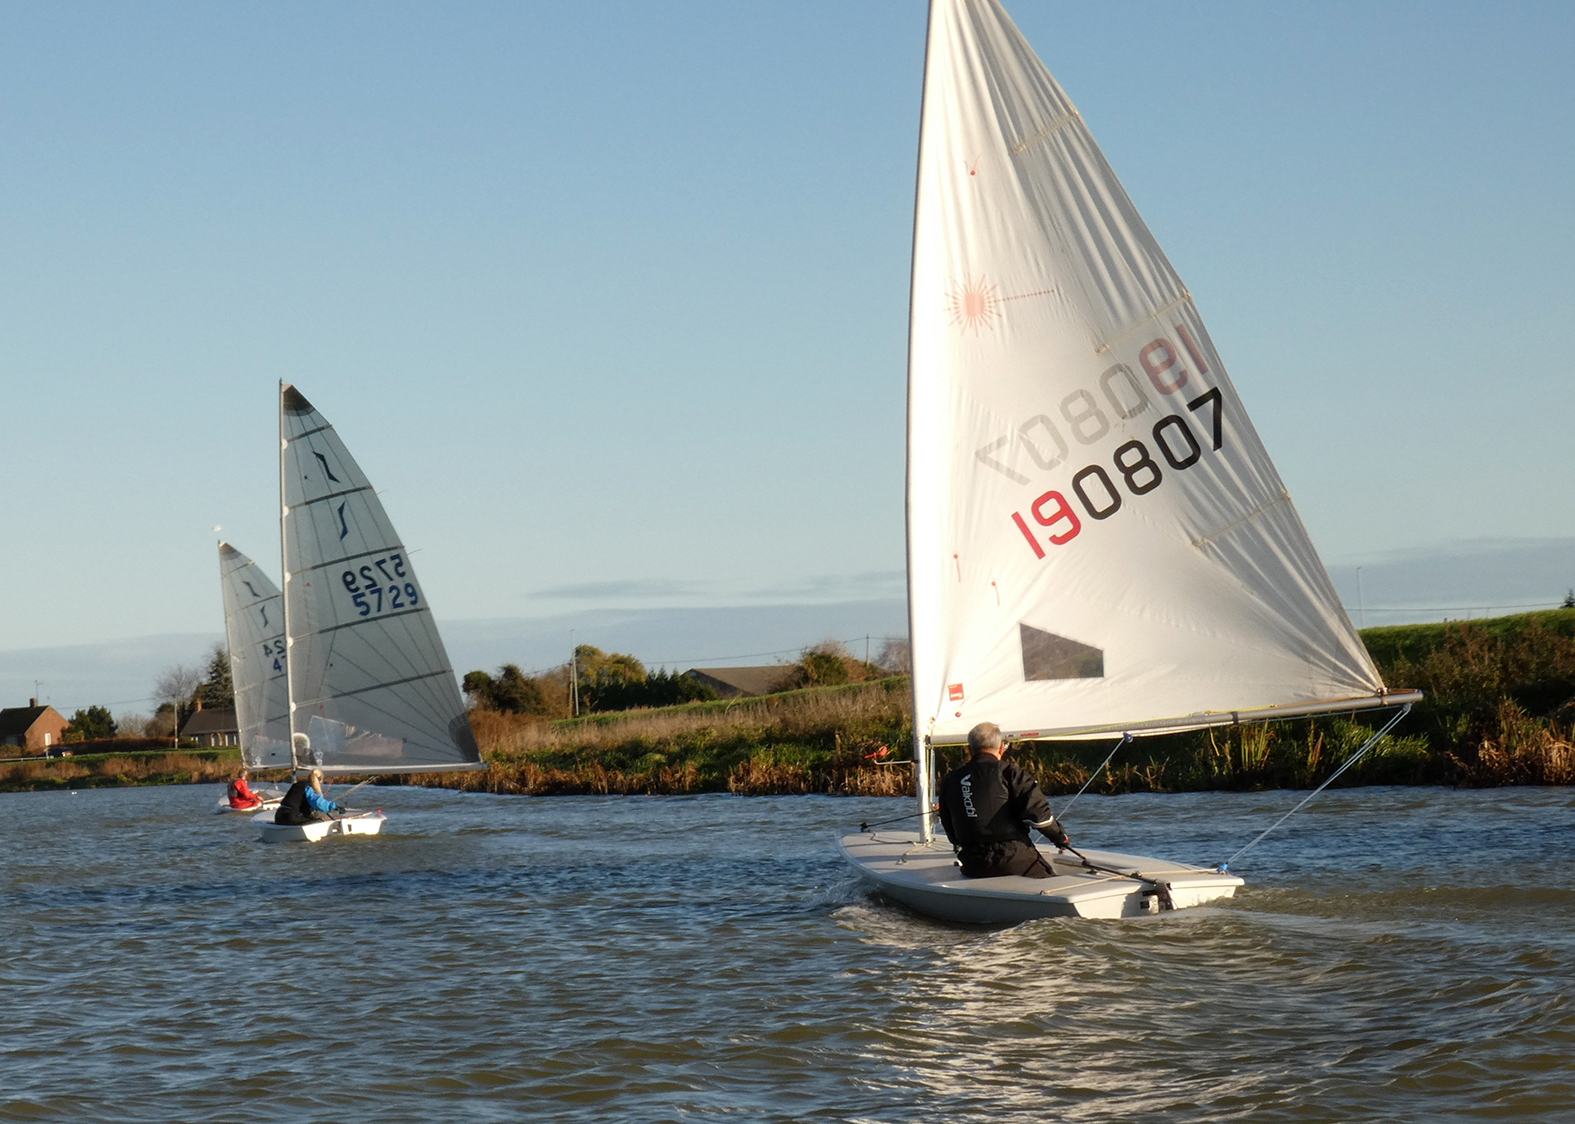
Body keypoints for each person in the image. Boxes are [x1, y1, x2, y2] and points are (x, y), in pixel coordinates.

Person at [938, 721, 1069, 879]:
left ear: (969, 749)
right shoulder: (1011, 773)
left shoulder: (950, 779)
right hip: (1014, 860)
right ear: (1001, 748)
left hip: (973, 864)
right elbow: (1040, 819)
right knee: (1052, 880)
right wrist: (1060, 838)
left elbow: (950, 827)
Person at [273, 769, 343, 826]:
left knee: (310, 818)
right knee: (319, 821)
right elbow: (317, 802)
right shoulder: (308, 787)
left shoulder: (297, 785)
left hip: (279, 816)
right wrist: (335, 807)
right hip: (290, 817)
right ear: (319, 780)